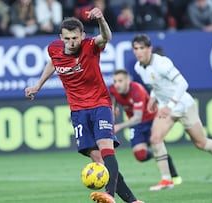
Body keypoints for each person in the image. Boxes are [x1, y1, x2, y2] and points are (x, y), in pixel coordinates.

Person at [25, 8, 144, 203]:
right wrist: (38, 85)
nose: (71, 43)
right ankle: (133, 201)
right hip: (78, 112)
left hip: (100, 105)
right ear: (61, 38)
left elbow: (106, 37)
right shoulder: (54, 48)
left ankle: (109, 195)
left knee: (107, 150)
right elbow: (53, 63)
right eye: (67, 39)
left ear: (83, 36)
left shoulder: (90, 46)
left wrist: (101, 20)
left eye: (75, 38)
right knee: (98, 160)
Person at [131, 34, 212, 184]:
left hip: (183, 105)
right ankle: (166, 179)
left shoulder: (162, 64)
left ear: (149, 49)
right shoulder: (138, 67)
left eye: (142, 48)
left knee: (201, 143)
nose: (138, 52)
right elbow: (156, 84)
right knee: (155, 139)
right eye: (136, 48)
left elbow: (183, 84)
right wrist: (153, 97)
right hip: (166, 107)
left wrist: (170, 106)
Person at [110, 69, 182, 191]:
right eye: (115, 81)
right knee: (140, 155)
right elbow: (113, 98)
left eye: (120, 81)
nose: (117, 84)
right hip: (136, 125)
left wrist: (119, 126)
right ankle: (158, 156)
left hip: (151, 120)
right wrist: (114, 107)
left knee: (156, 144)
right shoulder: (113, 89)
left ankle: (172, 175)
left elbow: (138, 118)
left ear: (128, 81)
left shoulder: (137, 90)